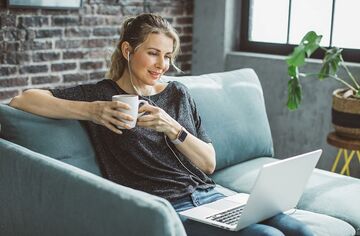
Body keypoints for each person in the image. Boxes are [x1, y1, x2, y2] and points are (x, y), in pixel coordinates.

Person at [9, 13, 314, 236]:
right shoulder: (103, 94)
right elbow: (23, 100)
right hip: (172, 208)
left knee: (302, 231)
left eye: (167, 56)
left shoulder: (177, 93)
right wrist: (93, 111)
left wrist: (173, 128)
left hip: (211, 194)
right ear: (128, 51)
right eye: (153, 53)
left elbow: (209, 163)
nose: (162, 65)